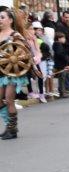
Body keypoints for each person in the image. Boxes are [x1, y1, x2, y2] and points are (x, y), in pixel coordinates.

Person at [0, 7, 30, 140]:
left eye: (2, 17)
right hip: (1, 71)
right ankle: (10, 125)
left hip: (13, 72)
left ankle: (12, 129)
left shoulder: (15, 36)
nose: (0, 20)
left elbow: (23, 54)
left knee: (9, 98)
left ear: (10, 20)